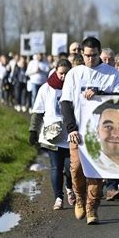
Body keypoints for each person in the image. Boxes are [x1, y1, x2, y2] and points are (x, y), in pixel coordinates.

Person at [60, 37, 119, 225]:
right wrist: (71, 128)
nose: (90, 59)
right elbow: (65, 103)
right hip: (78, 131)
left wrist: (100, 94)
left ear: (99, 53)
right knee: (77, 168)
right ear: (82, 54)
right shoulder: (74, 74)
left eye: (94, 55)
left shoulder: (111, 74)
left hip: (101, 133)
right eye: (87, 55)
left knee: (95, 172)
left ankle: (92, 207)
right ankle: (79, 198)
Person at [29, 59, 75, 211]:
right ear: (56, 71)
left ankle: (69, 187)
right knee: (56, 167)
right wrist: (33, 131)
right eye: (61, 73)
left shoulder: (75, 88)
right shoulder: (46, 88)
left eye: (67, 73)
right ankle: (58, 197)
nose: (63, 76)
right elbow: (37, 112)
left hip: (70, 135)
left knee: (70, 168)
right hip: (52, 136)